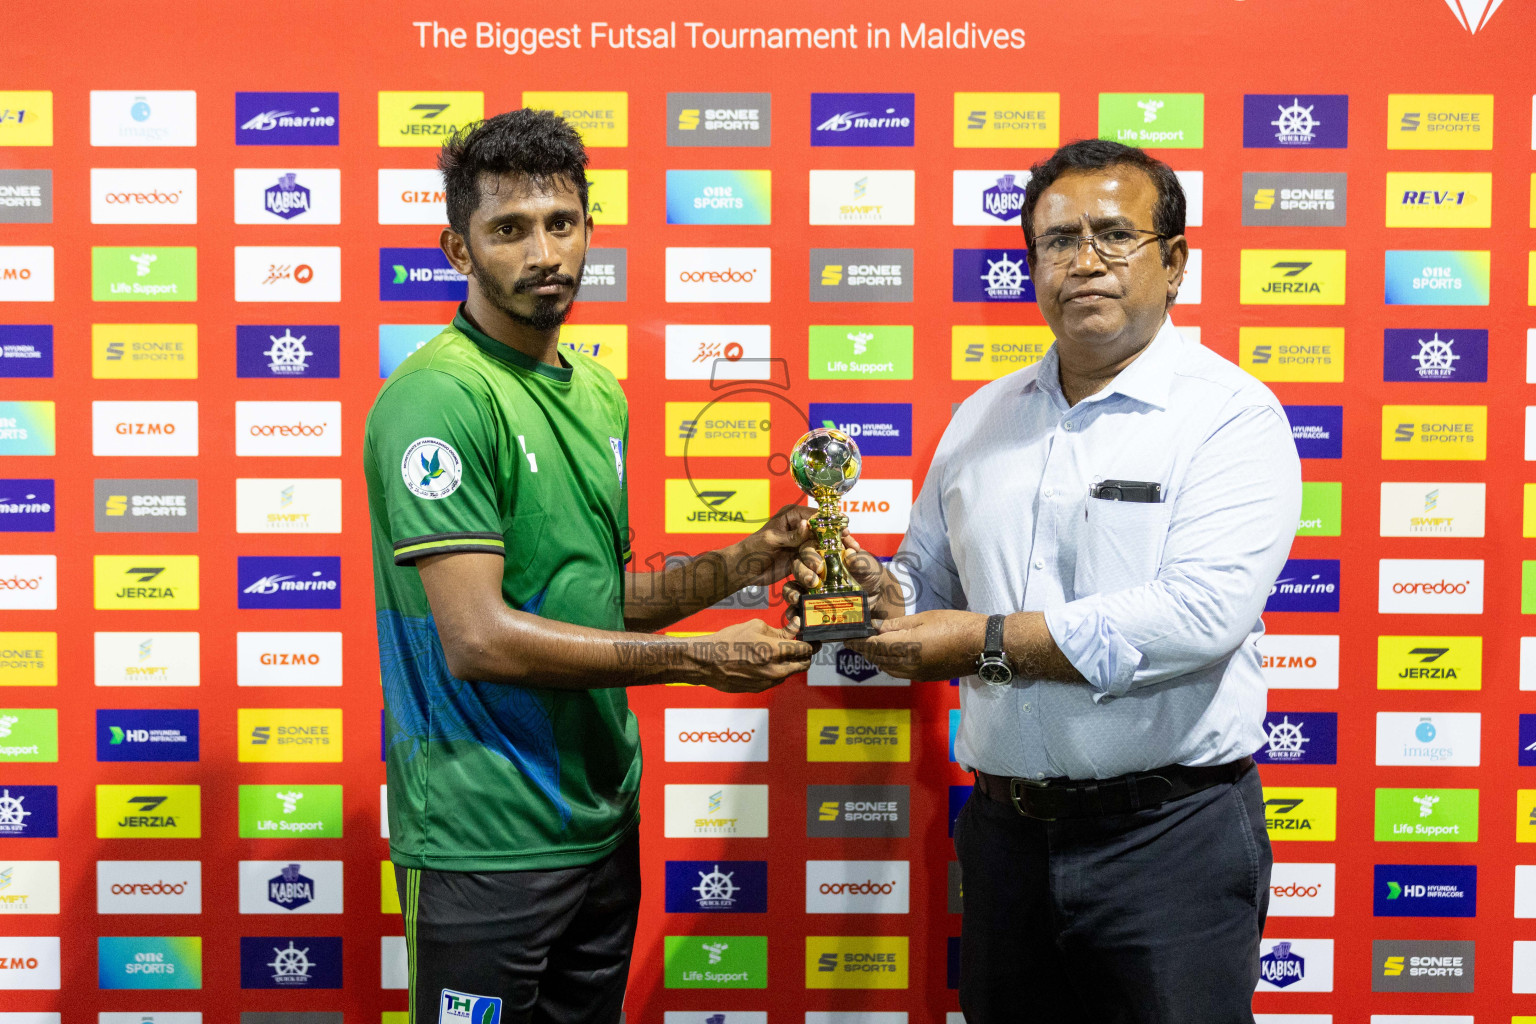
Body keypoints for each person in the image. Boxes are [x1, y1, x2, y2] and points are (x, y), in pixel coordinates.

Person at [788, 139, 1301, 1023]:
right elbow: (926, 581)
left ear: (1173, 264)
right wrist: (873, 592)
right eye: (1058, 241)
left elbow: (1201, 614)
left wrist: (986, 643)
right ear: (1031, 267)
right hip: (1006, 840)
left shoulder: (1230, 417)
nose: (1085, 260)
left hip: (1168, 841)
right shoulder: (981, 418)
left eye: (1115, 235)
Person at [364, 109, 815, 1024]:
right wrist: (698, 661)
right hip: (482, 836)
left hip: (602, 824)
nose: (543, 253)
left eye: (560, 224)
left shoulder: (598, 391)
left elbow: (596, 606)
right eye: (509, 229)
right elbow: (481, 639)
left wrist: (746, 559)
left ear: (588, 231)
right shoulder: (435, 399)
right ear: (459, 248)